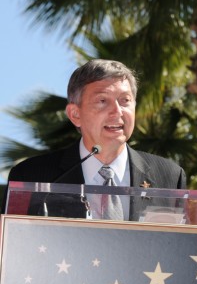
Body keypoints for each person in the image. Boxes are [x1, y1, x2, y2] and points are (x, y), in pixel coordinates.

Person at [2, 59, 186, 220]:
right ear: (75, 114)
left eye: (125, 100)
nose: (117, 111)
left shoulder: (169, 177)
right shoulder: (31, 177)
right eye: (102, 101)